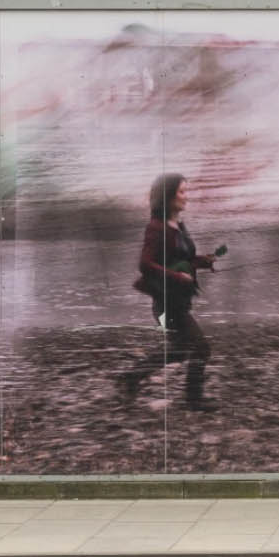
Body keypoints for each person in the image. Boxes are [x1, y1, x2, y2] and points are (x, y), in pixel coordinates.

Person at [121, 172, 222, 411]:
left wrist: (201, 262)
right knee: (199, 348)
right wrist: (178, 276)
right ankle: (193, 400)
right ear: (168, 196)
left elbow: (181, 259)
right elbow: (145, 265)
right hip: (166, 301)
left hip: (178, 299)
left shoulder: (178, 226)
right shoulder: (156, 227)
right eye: (182, 192)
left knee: (178, 350)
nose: (187, 197)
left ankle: (130, 378)